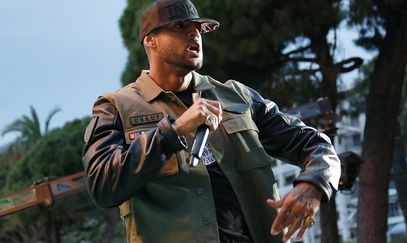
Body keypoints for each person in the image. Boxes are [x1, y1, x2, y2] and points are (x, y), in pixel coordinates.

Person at [82, 0, 341, 242]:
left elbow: (315, 144)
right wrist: (174, 131)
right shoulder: (115, 107)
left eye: (198, 28)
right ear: (150, 40)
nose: (194, 34)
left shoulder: (238, 97)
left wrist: (314, 184)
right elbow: (103, 187)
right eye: (180, 26)